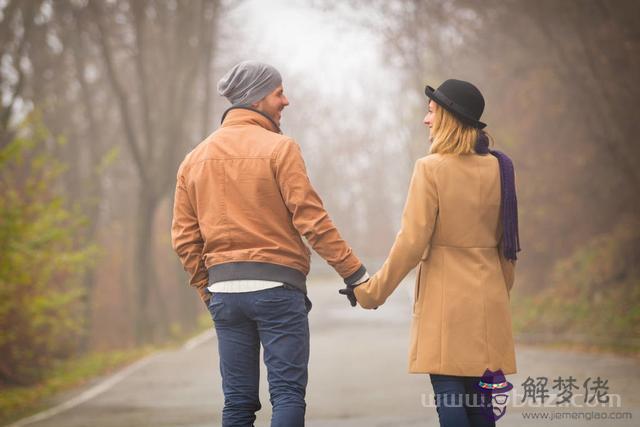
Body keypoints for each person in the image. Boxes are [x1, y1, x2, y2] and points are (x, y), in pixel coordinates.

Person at [171, 60, 368, 427]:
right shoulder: (280, 149)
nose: (286, 101)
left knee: (237, 403)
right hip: (278, 288)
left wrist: (207, 288)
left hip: (225, 292)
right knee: (288, 396)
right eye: (279, 93)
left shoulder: (193, 160)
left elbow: (184, 237)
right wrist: (354, 273)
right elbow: (312, 221)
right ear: (257, 97)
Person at [343, 79, 520, 427]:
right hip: (489, 303)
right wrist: (501, 294)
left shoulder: (431, 168)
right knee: (481, 409)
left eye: (432, 111)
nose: (426, 119)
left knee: (450, 397)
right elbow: (508, 246)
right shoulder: (499, 169)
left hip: (445, 304)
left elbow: (411, 243)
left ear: (449, 118)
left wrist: (370, 292)